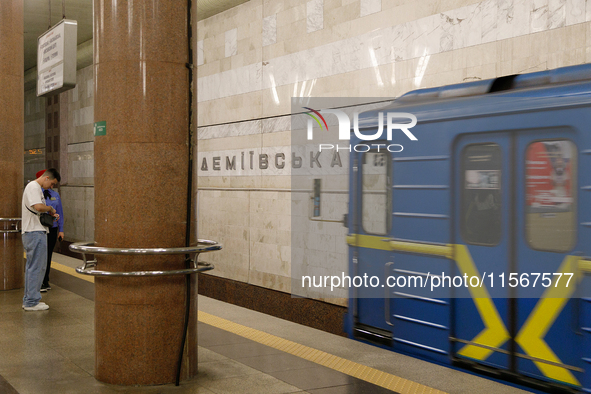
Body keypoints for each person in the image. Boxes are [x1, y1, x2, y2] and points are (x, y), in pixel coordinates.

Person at [21, 168, 61, 311]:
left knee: (35, 267)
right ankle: (31, 301)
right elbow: (38, 207)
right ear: (46, 178)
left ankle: (30, 299)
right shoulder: (33, 187)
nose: (51, 187)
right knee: (36, 267)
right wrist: (50, 208)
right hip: (34, 232)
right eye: (52, 184)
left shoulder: (35, 187)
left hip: (35, 231)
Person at [35, 169, 65, 292]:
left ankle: (45, 281)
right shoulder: (36, 193)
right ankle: (38, 281)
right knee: (39, 255)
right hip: (39, 228)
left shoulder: (55, 195)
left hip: (51, 228)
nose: (52, 186)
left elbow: (60, 212)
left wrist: (61, 229)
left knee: (47, 255)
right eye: (51, 183)